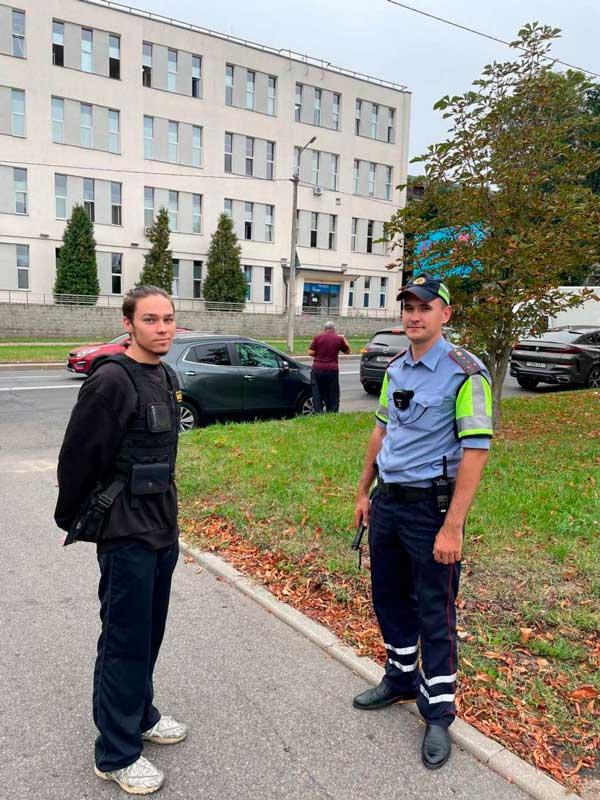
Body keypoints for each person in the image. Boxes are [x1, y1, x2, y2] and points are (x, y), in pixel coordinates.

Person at [352, 273, 493, 770]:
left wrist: (452, 526)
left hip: (431, 512)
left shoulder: (466, 373)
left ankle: (438, 713)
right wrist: (364, 491)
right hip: (388, 504)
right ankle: (400, 679)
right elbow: (381, 432)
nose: (414, 316)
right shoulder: (396, 368)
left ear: (444, 314)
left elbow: (476, 452)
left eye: (424, 307)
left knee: (435, 611)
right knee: (389, 598)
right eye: (408, 307)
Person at [55, 286, 187, 795]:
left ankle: (141, 713)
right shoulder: (111, 380)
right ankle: (115, 752)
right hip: (126, 532)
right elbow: (77, 457)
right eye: (151, 319)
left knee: (149, 633)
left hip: (162, 527)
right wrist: (85, 517)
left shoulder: (166, 375)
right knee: (123, 640)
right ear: (128, 324)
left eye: (168, 318)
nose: (162, 328)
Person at [307, 320, 351, 412]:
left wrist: (320, 354)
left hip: (317, 369)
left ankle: (318, 412)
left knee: (317, 392)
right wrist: (344, 339)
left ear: (324, 329)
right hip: (332, 370)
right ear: (334, 329)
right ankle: (332, 412)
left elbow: (310, 352)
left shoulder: (317, 337)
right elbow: (347, 352)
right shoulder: (338, 339)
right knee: (333, 392)